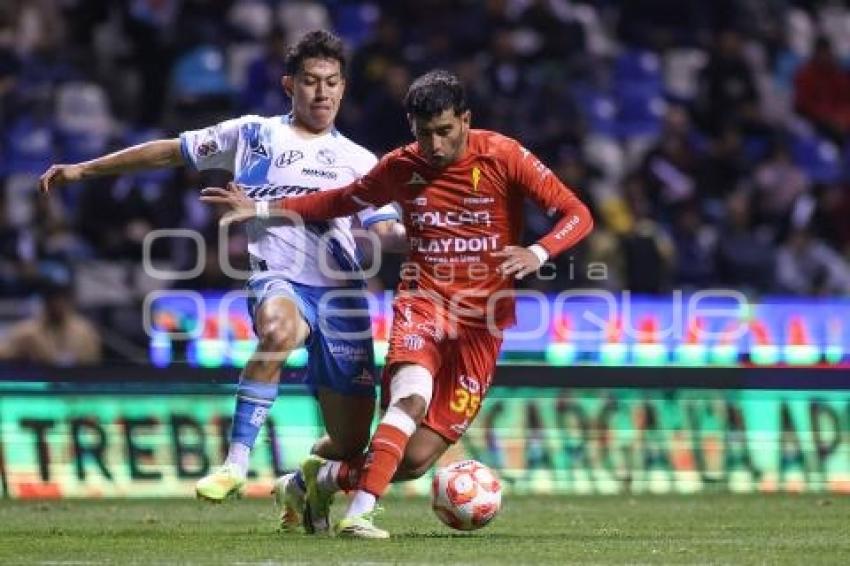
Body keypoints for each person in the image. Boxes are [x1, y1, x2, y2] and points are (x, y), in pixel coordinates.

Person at [201, 69, 594, 538]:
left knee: (413, 461)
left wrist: (538, 251)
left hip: (483, 325)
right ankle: (359, 515)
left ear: (465, 120)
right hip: (423, 305)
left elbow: (578, 214)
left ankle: (313, 483)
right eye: (424, 132)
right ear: (412, 126)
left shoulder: (503, 155)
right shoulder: (400, 166)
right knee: (410, 399)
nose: (435, 144)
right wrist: (263, 209)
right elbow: (339, 200)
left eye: (445, 131)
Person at [38, 30, 404, 524]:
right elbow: (170, 150)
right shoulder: (254, 135)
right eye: (311, 82)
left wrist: (437, 235)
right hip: (279, 278)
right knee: (278, 332)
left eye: (332, 83)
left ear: (343, 87)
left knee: (349, 442)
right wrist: (85, 170)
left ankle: (299, 487)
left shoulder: (362, 162)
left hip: (343, 296)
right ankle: (234, 465)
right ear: (288, 85)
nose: (322, 93)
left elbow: (387, 232)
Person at [0, 272, 102, 365]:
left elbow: (93, 362)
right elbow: (4, 353)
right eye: (53, 301)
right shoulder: (27, 332)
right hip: (40, 380)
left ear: (69, 302)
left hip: (76, 380)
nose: (58, 305)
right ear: (46, 303)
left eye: (62, 300)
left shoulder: (84, 331)